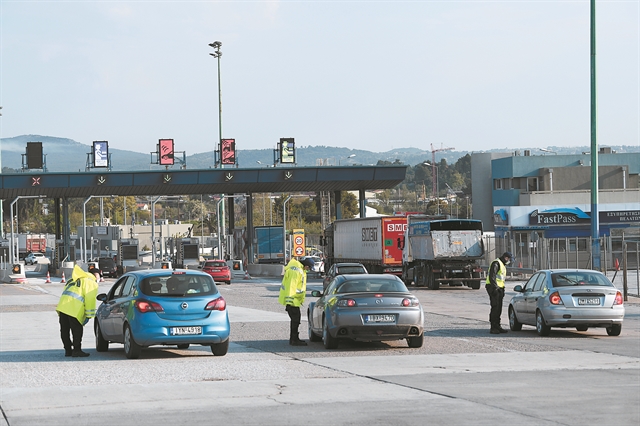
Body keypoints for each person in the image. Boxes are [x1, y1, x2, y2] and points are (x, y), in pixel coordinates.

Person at [56, 265, 99, 357]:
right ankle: (76, 350)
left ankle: (68, 350)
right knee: (77, 330)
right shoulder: (90, 282)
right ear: (96, 275)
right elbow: (90, 299)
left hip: (63, 307)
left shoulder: (73, 279)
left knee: (64, 330)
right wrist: (89, 315)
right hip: (74, 308)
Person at [279, 257, 314, 346]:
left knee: (295, 320)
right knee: (295, 320)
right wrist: (289, 302)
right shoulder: (296, 271)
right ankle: (294, 340)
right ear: (306, 265)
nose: (308, 270)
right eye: (309, 268)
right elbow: (291, 286)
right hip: (292, 301)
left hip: (294, 301)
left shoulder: (299, 269)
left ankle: (293, 339)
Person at [485, 252, 514, 334]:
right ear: (506, 258)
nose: (509, 261)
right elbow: (492, 277)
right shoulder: (496, 263)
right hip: (493, 288)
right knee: (495, 307)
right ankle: (493, 327)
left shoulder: (502, 264)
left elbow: (500, 279)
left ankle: (498, 325)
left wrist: (502, 289)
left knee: (499, 308)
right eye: (509, 259)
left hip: (499, 288)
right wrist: (495, 288)